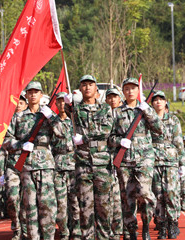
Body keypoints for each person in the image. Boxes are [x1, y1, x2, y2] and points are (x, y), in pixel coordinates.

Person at [4, 81, 61, 240]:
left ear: (41, 95)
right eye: (30, 92)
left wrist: (51, 117)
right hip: (27, 167)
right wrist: (20, 144)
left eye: (36, 92)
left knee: (48, 206)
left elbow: (63, 133)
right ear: (26, 96)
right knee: (30, 208)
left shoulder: (48, 115)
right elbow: (5, 140)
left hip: (46, 167)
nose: (33, 95)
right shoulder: (18, 117)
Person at [111, 77, 163, 240]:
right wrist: (120, 141)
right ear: (123, 92)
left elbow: (159, 129)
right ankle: (132, 230)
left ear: (138, 91)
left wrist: (147, 111)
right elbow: (109, 138)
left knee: (145, 193)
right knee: (127, 198)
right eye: (127, 89)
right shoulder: (117, 113)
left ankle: (146, 225)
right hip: (125, 160)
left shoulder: (146, 110)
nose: (130, 91)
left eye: (133, 88)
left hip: (144, 159)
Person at [69, 75, 114, 240]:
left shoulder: (105, 109)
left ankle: (104, 237)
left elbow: (106, 131)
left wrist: (85, 139)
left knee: (103, 206)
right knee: (85, 207)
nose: (87, 87)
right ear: (80, 89)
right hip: (83, 162)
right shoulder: (75, 110)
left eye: (90, 85)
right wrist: (68, 102)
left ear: (96, 88)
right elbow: (62, 112)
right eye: (84, 85)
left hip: (102, 163)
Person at [150, 91, 183, 239]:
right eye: (155, 100)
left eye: (161, 99)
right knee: (157, 194)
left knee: (171, 192)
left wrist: (181, 163)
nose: (158, 102)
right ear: (152, 104)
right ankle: (161, 225)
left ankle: (173, 222)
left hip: (170, 161)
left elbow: (178, 141)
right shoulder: (148, 119)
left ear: (165, 102)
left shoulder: (173, 120)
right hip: (154, 160)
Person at [51, 92, 80, 240]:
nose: (62, 104)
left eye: (64, 102)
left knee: (75, 202)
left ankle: (76, 231)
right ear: (55, 104)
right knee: (60, 204)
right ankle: (63, 232)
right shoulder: (51, 123)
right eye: (59, 102)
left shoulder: (75, 121)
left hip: (74, 165)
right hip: (58, 166)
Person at [3, 93, 29, 240]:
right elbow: (5, 141)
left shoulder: (33, 119)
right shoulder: (9, 121)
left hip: (29, 165)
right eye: (16, 103)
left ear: (26, 105)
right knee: (13, 198)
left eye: (21, 103)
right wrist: (20, 144)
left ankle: (27, 230)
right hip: (13, 165)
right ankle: (17, 227)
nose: (18, 105)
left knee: (28, 200)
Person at [106, 88, 124, 240]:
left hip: (123, 160)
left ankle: (120, 228)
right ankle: (108, 229)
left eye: (115, 97)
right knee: (108, 197)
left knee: (121, 197)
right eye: (109, 97)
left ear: (120, 99)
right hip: (105, 161)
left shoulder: (124, 115)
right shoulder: (103, 115)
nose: (112, 100)